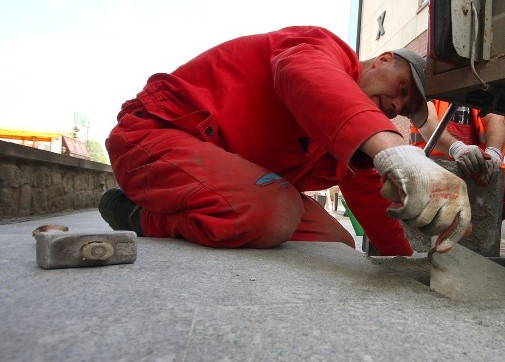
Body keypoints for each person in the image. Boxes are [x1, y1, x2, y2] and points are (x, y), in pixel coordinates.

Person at [97, 26, 471, 255]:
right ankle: (137, 214)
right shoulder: (321, 48)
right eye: (401, 88)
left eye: (403, 108)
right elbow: (306, 76)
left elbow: (373, 205)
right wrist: (397, 153)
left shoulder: (346, 142)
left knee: (334, 245)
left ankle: (188, 209)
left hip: (218, 172)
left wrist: (408, 266)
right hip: (154, 136)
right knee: (273, 212)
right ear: (383, 60)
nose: (395, 105)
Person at [410, 99, 505, 219]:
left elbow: (495, 119)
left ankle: (468, 228)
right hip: (432, 168)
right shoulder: (433, 91)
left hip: (472, 171)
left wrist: (493, 153)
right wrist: (456, 148)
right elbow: (427, 121)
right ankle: (453, 224)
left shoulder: (475, 98)